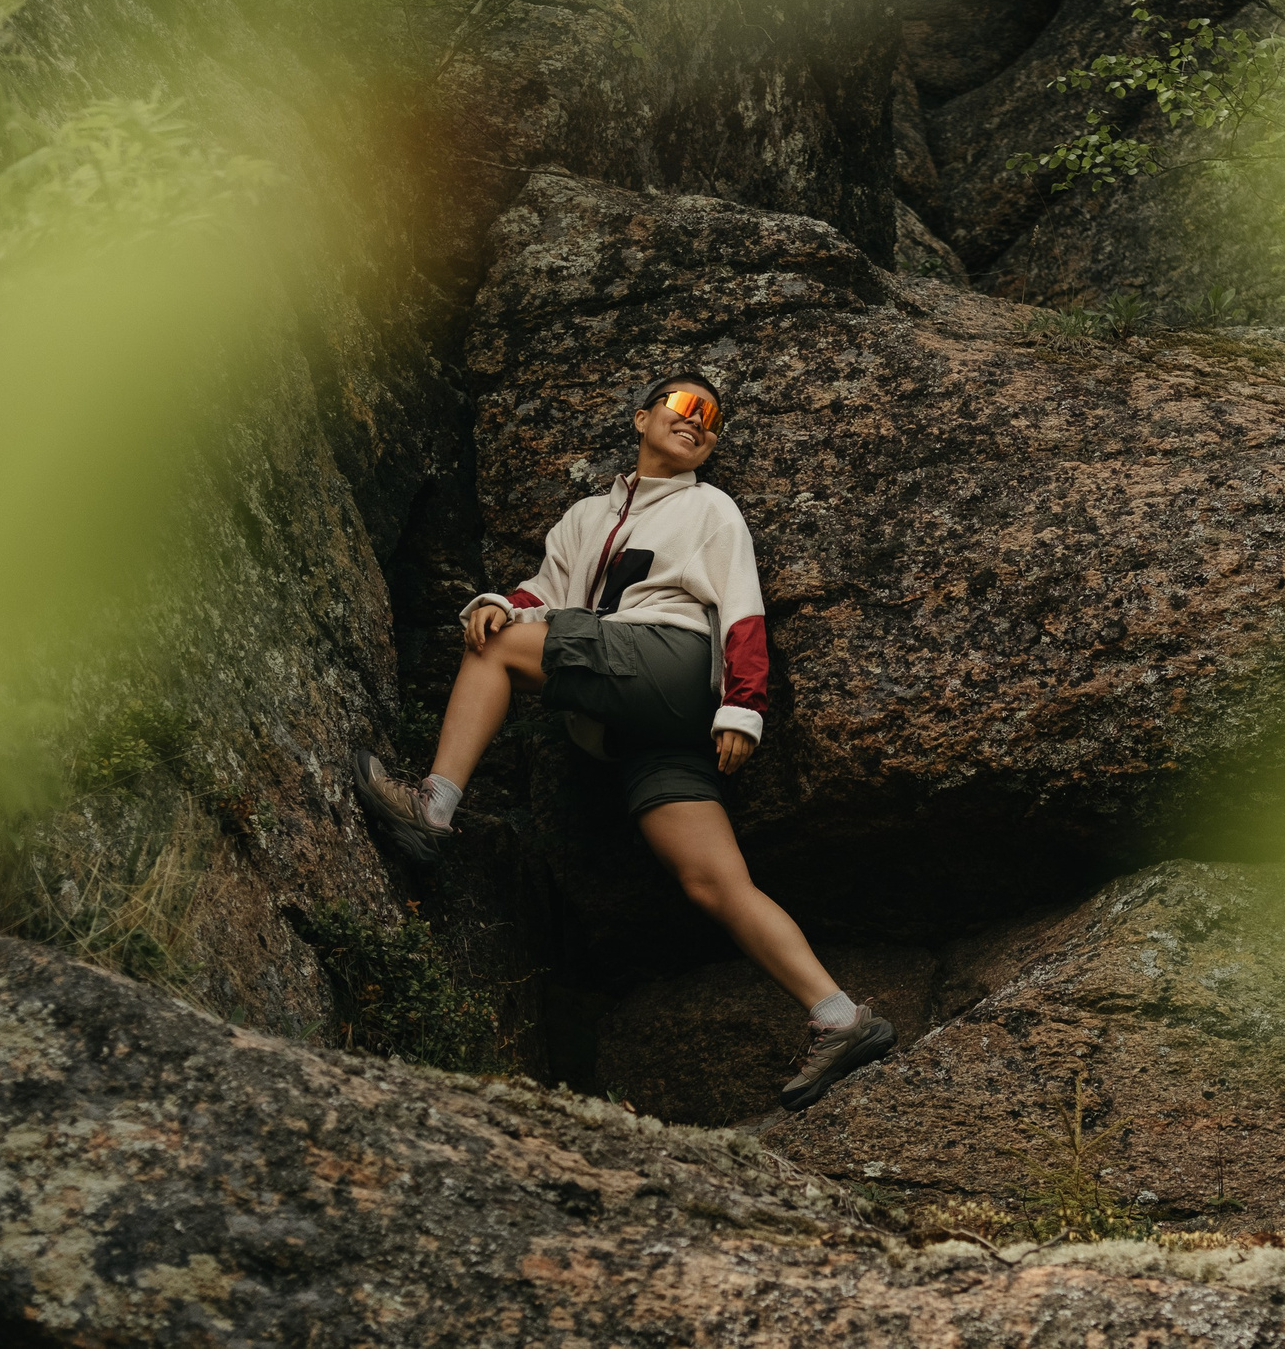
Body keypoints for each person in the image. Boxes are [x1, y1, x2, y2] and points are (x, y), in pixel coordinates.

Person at [354, 373, 895, 1112]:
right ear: (642, 418)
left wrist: (744, 708)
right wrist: (493, 602)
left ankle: (433, 806)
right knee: (711, 879)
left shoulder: (711, 508)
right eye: (684, 406)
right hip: (635, 719)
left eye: (712, 419)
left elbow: (742, 611)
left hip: (668, 661)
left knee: (496, 652)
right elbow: (543, 594)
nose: (699, 421)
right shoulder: (584, 516)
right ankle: (841, 1016)